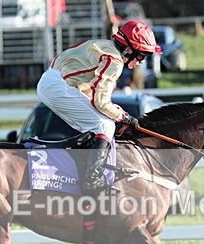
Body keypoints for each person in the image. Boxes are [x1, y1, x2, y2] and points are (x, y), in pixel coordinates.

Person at [36, 20, 161, 192]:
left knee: (99, 125)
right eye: (141, 56)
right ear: (129, 50)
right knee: (105, 124)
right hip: (56, 86)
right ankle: (91, 181)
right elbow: (101, 102)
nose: (140, 62)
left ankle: (85, 170)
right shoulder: (114, 61)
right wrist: (124, 117)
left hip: (53, 81)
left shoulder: (106, 46)